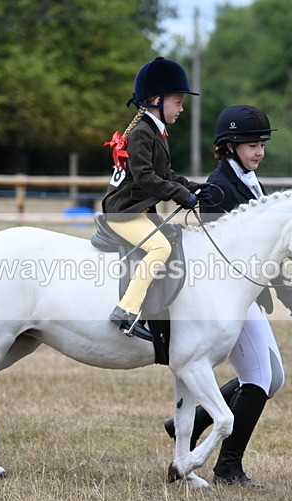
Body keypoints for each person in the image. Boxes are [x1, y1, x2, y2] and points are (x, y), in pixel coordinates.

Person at [163, 105, 292, 487]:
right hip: (225, 300)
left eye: (261, 144)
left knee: (270, 379)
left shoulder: (249, 182)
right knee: (260, 378)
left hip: (245, 298)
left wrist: (286, 291)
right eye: (250, 145)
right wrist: (279, 289)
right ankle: (228, 466)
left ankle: (194, 421)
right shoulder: (219, 187)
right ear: (228, 146)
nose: (258, 151)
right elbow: (231, 256)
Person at [101, 57, 212, 341]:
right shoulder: (141, 133)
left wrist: (193, 188)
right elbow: (145, 177)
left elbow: (166, 174)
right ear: (155, 100)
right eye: (177, 102)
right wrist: (180, 195)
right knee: (160, 249)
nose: (181, 109)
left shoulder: (156, 132)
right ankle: (126, 310)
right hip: (124, 212)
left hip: (142, 210)